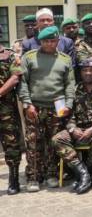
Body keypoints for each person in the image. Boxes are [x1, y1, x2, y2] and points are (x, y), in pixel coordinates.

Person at [17, 25, 76, 191]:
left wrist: (68, 104)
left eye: (53, 40)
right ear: (40, 41)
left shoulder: (65, 59)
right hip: (34, 107)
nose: (49, 44)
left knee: (52, 143)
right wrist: (27, 104)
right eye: (46, 41)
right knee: (33, 142)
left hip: (57, 106)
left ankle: (51, 174)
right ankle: (33, 178)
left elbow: (70, 84)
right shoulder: (29, 57)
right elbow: (23, 83)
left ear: (58, 40)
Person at [52, 58, 92, 194]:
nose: (88, 73)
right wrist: (72, 128)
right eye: (85, 70)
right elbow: (68, 113)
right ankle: (83, 173)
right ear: (81, 72)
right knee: (57, 139)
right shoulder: (74, 90)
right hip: (77, 128)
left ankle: (88, 172)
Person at [0, 35, 22, 194]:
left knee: (11, 144)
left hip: (6, 109)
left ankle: (14, 179)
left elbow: (15, 78)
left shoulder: (10, 55)